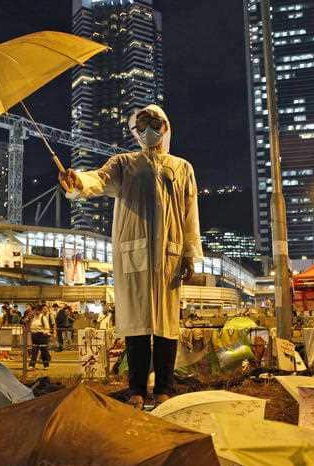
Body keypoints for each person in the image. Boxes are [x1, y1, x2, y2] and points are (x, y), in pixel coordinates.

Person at [59, 104, 202, 409]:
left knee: (166, 324)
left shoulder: (182, 168)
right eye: (141, 125)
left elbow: (190, 215)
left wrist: (190, 253)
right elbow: (97, 179)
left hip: (169, 255)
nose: (148, 129)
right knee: (136, 323)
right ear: (135, 132)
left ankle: (164, 386)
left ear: (165, 127)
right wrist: (77, 182)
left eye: (153, 123)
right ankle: (136, 387)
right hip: (133, 252)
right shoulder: (124, 163)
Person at [29, 304, 51, 369]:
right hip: (34, 336)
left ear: (40, 311)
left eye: (38, 310)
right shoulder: (33, 318)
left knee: (44, 351)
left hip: (42, 336)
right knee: (34, 351)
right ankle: (32, 365)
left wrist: (44, 333)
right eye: (35, 310)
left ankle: (46, 365)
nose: (36, 312)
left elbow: (47, 328)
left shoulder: (43, 318)